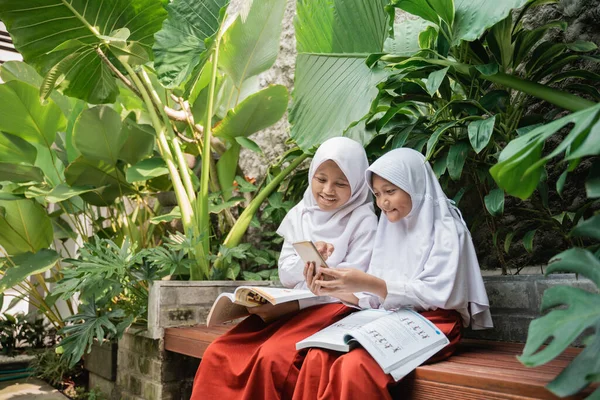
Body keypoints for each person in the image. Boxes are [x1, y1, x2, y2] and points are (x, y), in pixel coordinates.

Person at [294, 148, 493, 400]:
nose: (382, 202)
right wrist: (335, 288)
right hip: (387, 318)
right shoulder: (389, 227)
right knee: (318, 355)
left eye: (390, 191)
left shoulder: (447, 230)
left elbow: (439, 295)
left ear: (416, 185)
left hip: (436, 323)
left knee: (355, 365)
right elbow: (375, 298)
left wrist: (371, 283)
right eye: (377, 194)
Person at [190, 137, 378, 400]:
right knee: (222, 351)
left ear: (357, 184)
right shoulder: (301, 213)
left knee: (273, 358)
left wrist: (323, 270)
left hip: (335, 310)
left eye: (341, 183)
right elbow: (286, 275)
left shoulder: (363, 220)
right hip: (294, 306)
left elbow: (353, 285)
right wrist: (308, 260)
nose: (327, 190)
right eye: (321, 179)